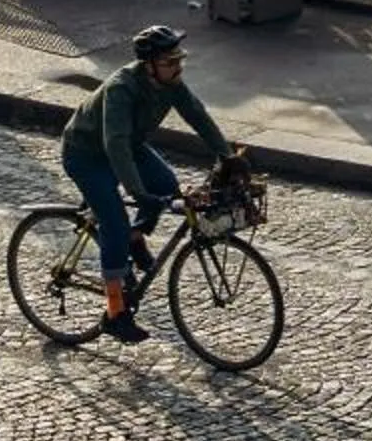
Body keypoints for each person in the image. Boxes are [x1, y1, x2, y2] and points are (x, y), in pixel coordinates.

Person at [61, 25, 249, 344]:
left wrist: (227, 156)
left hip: (129, 145)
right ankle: (115, 313)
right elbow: (115, 145)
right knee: (115, 224)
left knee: (166, 184)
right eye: (169, 62)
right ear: (149, 65)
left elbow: (197, 115)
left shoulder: (170, 83)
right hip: (87, 155)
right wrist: (138, 193)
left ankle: (136, 237)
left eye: (179, 61)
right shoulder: (121, 89)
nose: (178, 68)